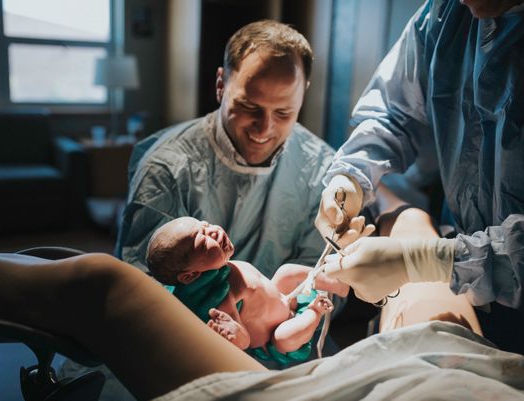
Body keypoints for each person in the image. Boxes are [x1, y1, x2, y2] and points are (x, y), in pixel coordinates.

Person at [315, 0, 524, 366]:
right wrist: (351, 174)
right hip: (462, 283)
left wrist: (426, 261)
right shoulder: (445, 14)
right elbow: (392, 112)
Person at [0, 248, 524, 401]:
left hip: (385, 379)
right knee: (437, 309)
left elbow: (294, 322)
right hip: (464, 366)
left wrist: (327, 287)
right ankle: (411, 216)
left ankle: (411, 220)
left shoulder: (285, 316)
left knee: (99, 284)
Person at [117, 20, 352, 279]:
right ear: (221, 85)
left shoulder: (322, 171)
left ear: (302, 94)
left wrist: (274, 313)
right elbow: (143, 287)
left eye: (283, 112)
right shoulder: (164, 169)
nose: (264, 128)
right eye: (249, 107)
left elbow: (323, 276)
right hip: (185, 319)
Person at [145, 217, 349, 362]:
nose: (213, 231)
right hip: (279, 331)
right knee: (284, 339)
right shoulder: (220, 299)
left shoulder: (225, 267)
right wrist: (233, 333)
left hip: (284, 299)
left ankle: (340, 281)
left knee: (287, 272)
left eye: (204, 225)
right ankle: (315, 310)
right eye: (202, 241)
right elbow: (244, 342)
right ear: (190, 275)